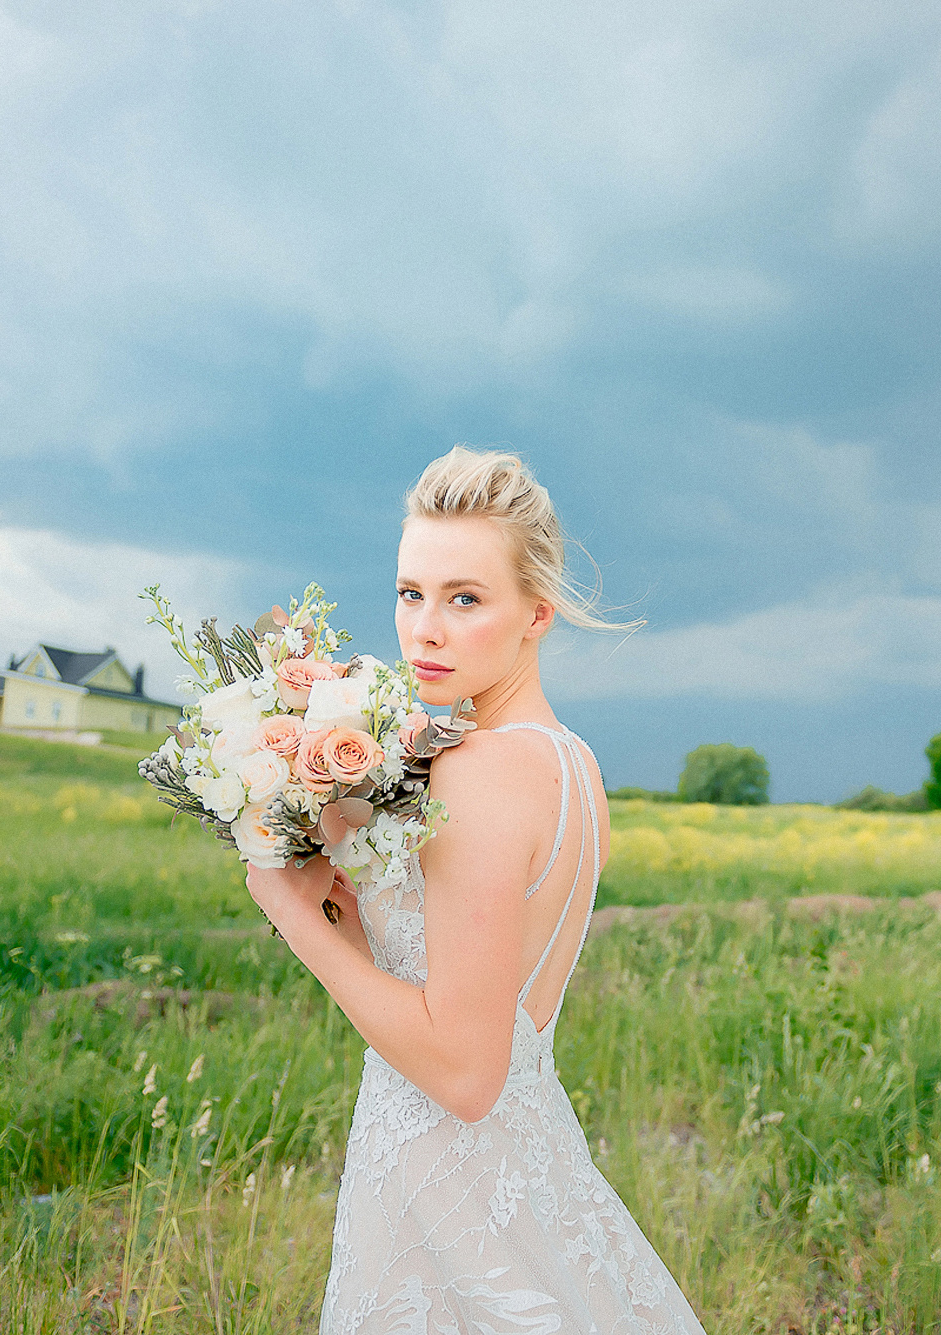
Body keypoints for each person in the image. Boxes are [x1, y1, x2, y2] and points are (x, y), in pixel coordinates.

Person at [245, 448, 708, 1334]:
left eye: (465, 598)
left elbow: (463, 1070)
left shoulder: (482, 772)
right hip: (514, 1168)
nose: (424, 629)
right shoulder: (570, 761)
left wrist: (294, 913)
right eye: (410, 592)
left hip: (449, 1193)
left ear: (537, 612)